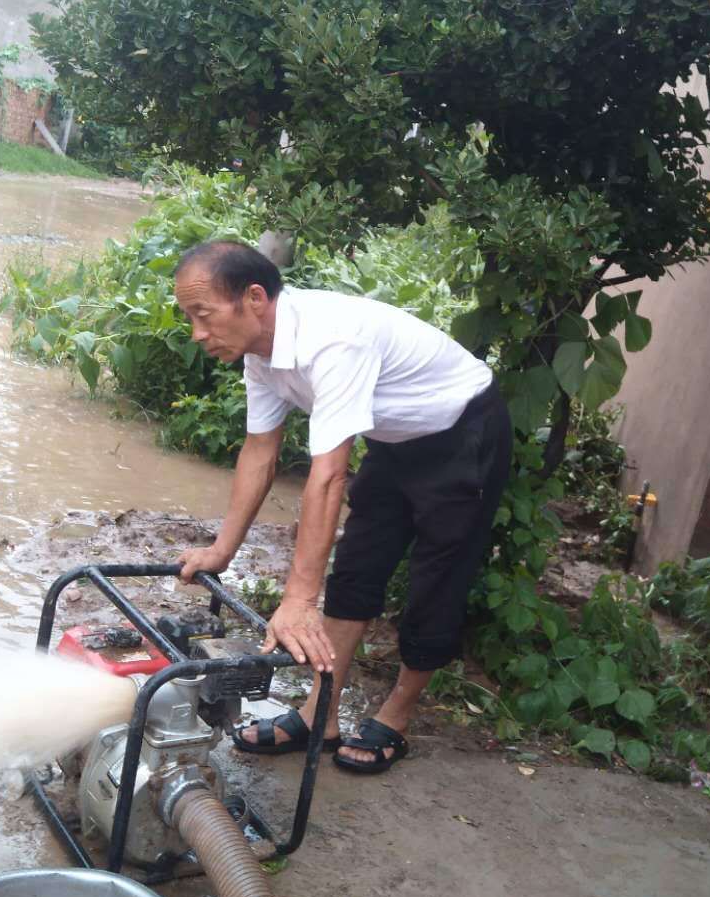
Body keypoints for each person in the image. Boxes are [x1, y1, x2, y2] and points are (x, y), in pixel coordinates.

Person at [172, 240, 512, 774]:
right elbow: (260, 451)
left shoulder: (334, 341)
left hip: (462, 434)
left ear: (254, 298)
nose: (196, 332)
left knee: (437, 580)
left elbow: (327, 476)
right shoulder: (261, 353)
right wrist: (222, 549)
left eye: (203, 314)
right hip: (394, 440)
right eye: (189, 317)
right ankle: (319, 714)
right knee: (356, 566)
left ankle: (396, 715)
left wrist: (299, 599)